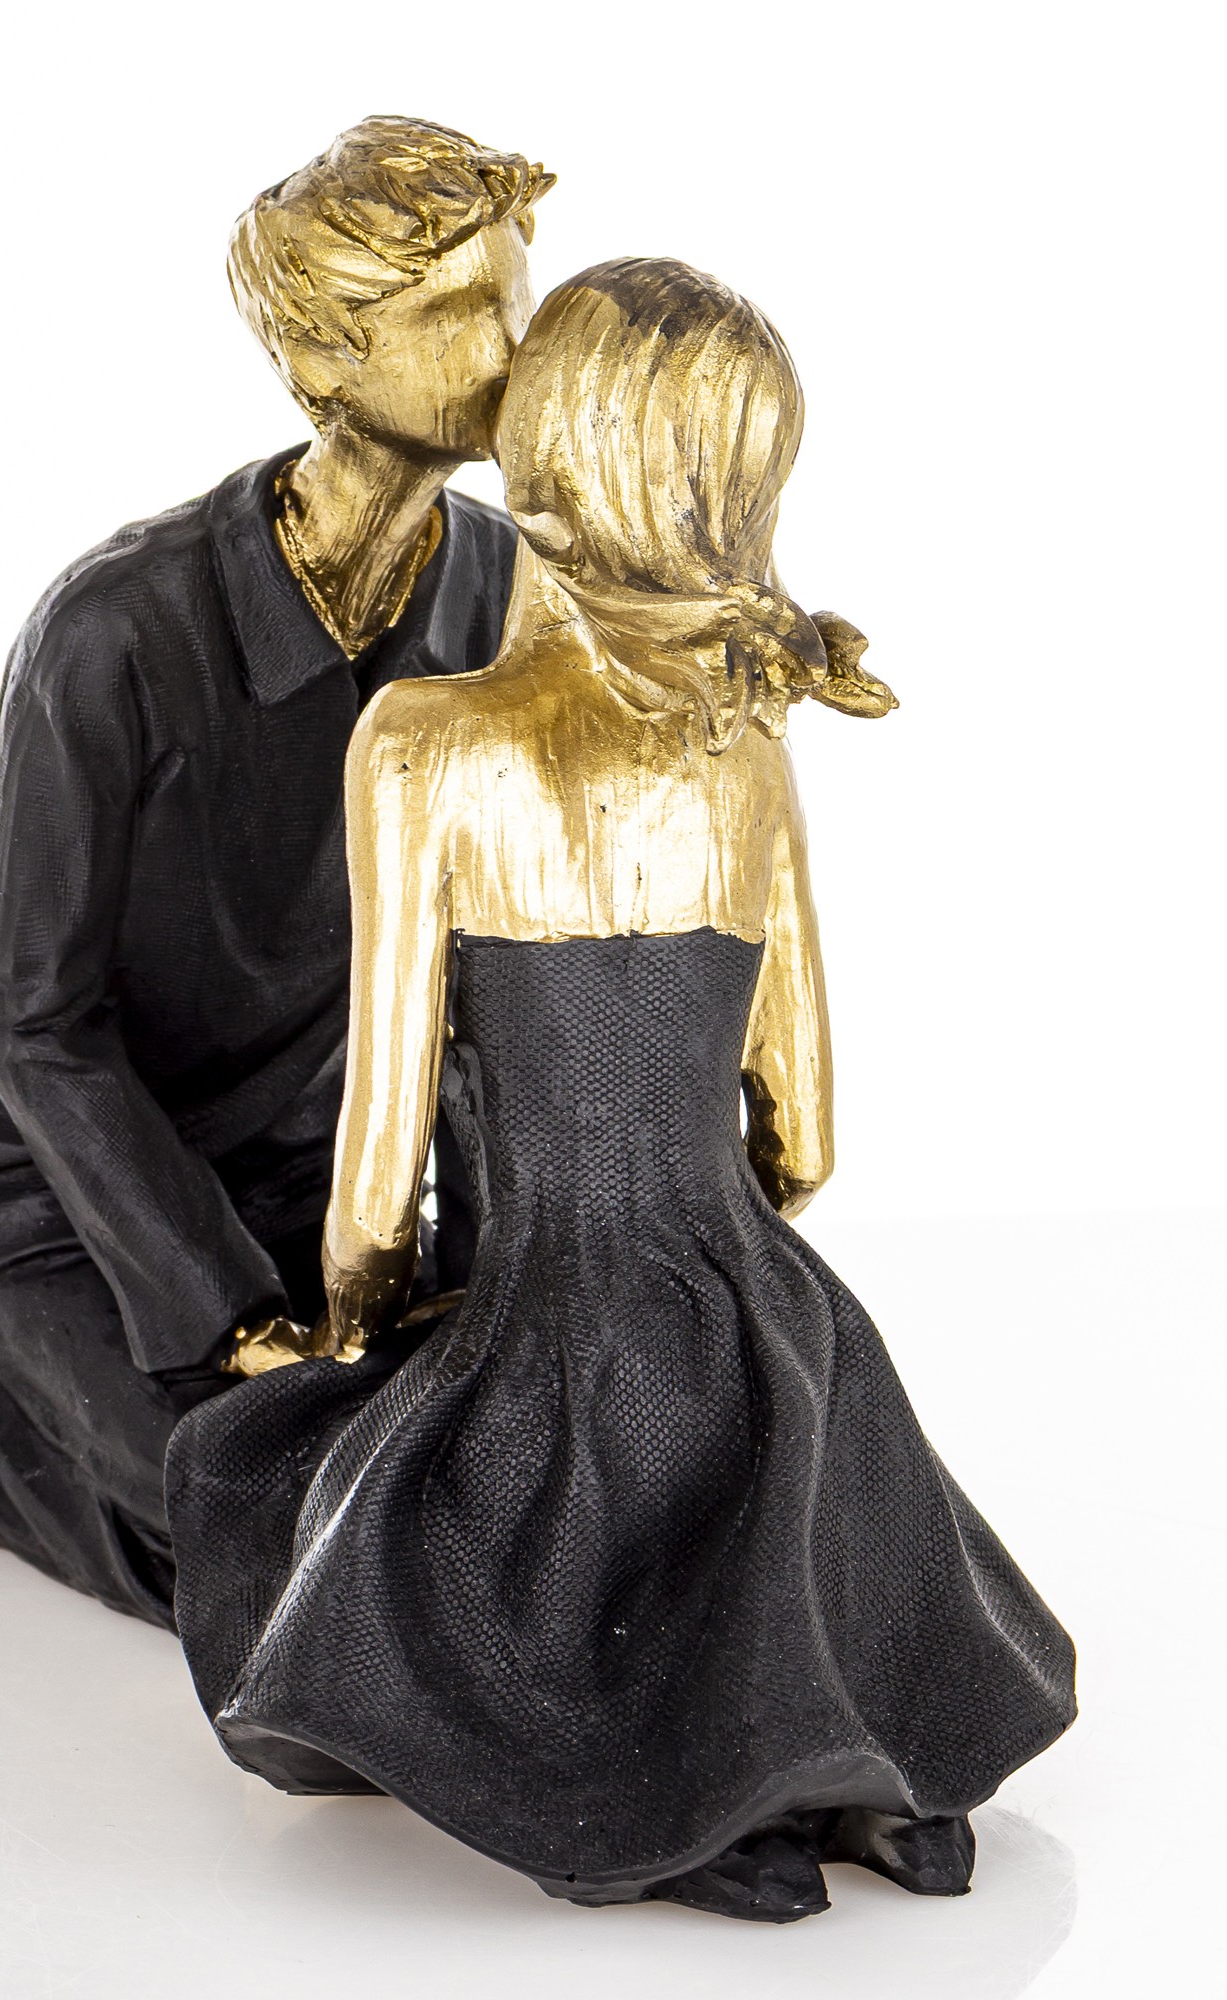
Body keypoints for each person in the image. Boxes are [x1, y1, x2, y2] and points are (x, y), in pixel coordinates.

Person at [165, 259, 1078, 1920]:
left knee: (324, 1489)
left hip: (556, 1307)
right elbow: (804, 1123)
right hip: (771, 1310)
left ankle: (685, 1808)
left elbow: (380, 1143)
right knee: (802, 1517)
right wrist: (721, 1230)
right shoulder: (749, 746)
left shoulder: (426, 742)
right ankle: (875, 1784)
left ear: (541, 462)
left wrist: (358, 1313)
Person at [0, 118, 553, 1627]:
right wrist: (227, 1314)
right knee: (268, 1564)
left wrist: (492, 1267)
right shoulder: (113, 630)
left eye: (517, 297)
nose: (515, 349)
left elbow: (479, 968)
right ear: (318, 361)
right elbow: (31, 1018)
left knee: (479, 1512)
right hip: (69, 1206)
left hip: (312, 1195)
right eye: (455, 311)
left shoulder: (503, 586)